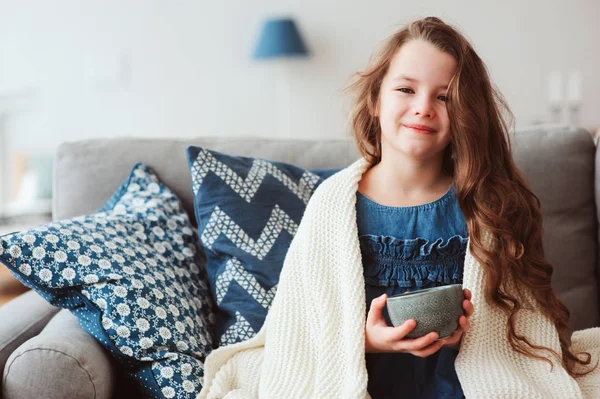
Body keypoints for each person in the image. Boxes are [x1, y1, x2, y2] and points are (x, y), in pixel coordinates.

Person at [199, 17, 597, 398]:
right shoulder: (334, 203)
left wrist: (473, 336)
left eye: (444, 97)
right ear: (375, 100)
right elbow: (302, 327)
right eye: (406, 90)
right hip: (364, 382)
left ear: (466, 116)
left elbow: (520, 320)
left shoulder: (488, 204)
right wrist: (367, 341)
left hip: (465, 382)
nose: (423, 107)